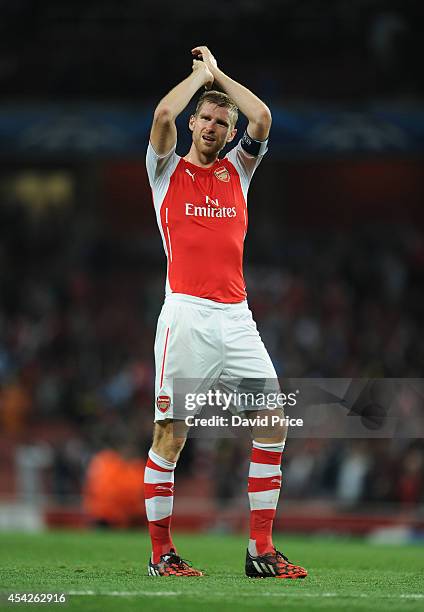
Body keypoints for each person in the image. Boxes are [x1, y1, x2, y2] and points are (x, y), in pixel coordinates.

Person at [144, 45, 307, 579]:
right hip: (186, 315)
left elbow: (261, 117)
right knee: (171, 434)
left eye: (221, 121)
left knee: (274, 419)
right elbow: (163, 115)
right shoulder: (165, 171)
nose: (213, 126)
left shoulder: (240, 168)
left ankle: (260, 551)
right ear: (195, 123)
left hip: (237, 317)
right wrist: (198, 78)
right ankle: (161, 555)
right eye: (207, 118)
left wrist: (219, 75)